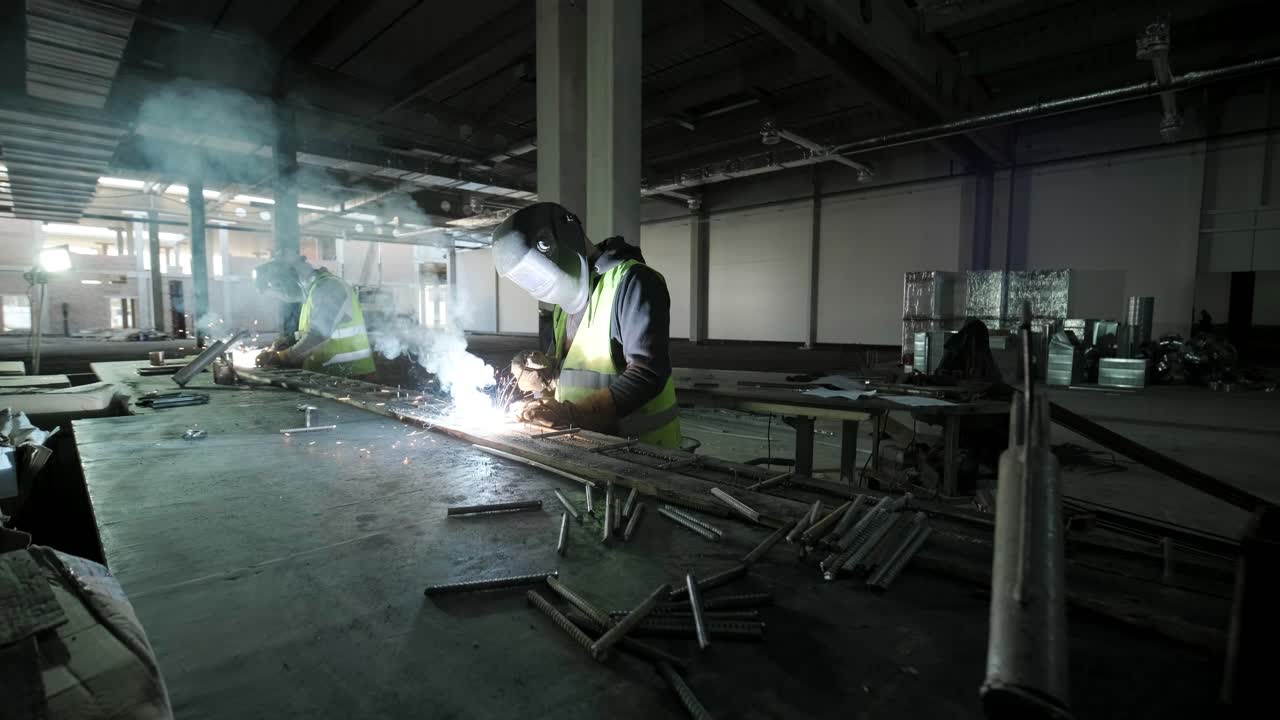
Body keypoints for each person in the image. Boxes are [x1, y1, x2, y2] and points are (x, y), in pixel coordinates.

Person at [493, 202, 681, 447]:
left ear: (555, 242)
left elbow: (648, 374)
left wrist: (573, 416)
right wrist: (546, 376)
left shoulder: (633, 281)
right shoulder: (566, 300)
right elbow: (572, 370)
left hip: (644, 455)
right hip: (584, 449)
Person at [251, 252, 376, 378]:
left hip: (347, 375)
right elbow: (313, 331)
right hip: (330, 375)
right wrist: (290, 341)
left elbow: (318, 335)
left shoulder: (329, 288)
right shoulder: (314, 291)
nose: (282, 295)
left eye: (278, 287)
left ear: (291, 278)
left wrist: (281, 357)